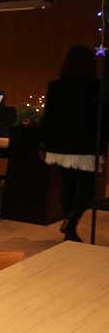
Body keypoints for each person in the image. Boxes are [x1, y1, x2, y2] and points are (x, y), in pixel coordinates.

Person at [40, 45, 107, 242]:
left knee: (67, 185)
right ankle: (72, 220)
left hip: (60, 144)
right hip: (87, 144)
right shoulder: (98, 85)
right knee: (89, 187)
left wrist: (42, 144)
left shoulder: (56, 85)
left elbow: (48, 117)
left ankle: (70, 231)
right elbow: (103, 118)